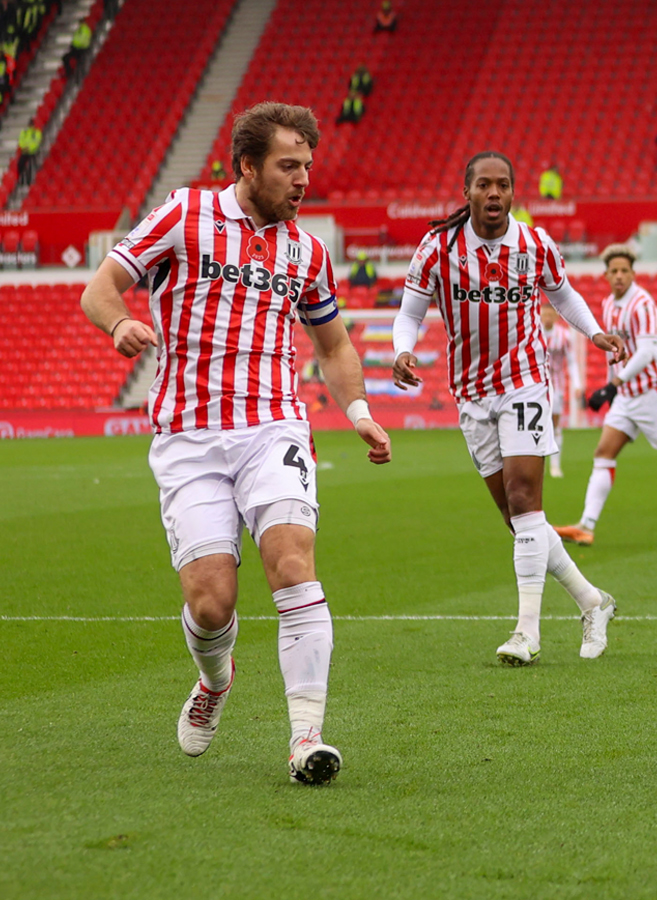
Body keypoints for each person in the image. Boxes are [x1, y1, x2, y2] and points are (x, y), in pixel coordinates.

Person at [78, 102, 394, 785]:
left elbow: (333, 344)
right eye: (289, 166)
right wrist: (119, 326)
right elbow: (101, 288)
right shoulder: (183, 215)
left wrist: (359, 408)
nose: (303, 178)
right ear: (247, 166)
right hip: (189, 437)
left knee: (292, 562)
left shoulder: (307, 251)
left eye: (308, 165)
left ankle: (306, 738)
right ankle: (215, 681)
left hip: (274, 427)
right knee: (210, 602)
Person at [391, 151, 627, 667]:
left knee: (525, 498)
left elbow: (563, 296)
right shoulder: (437, 248)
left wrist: (595, 333)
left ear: (514, 193)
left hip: (524, 383)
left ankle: (526, 633)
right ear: (468, 192)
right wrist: (401, 350)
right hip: (471, 395)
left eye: (503, 185)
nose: (494, 193)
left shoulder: (534, 243)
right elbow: (410, 312)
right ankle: (592, 601)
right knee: (519, 519)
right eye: (484, 185)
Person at [555, 245, 657, 548]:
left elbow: (647, 351)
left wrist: (614, 383)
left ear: (633, 273)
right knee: (603, 452)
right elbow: (612, 353)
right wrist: (608, 389)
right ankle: (586, 525)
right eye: (613, 271)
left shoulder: (642, 303)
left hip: (654, 392)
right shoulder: (607, 304)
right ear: (605, 275)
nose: (618, 276)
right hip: (626, 396)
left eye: (624, 271)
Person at [538, 303, 571, 478]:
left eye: (551, 314)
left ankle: (555, 465)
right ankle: (538, 465)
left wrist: (578, 383)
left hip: (556, 385)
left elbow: (571, 361)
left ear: (556, 316)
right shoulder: (534, 333)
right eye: (545, 314)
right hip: (536, 385)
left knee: (555, 423)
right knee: (536, 425)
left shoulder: (564, 336)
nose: (547, 317)